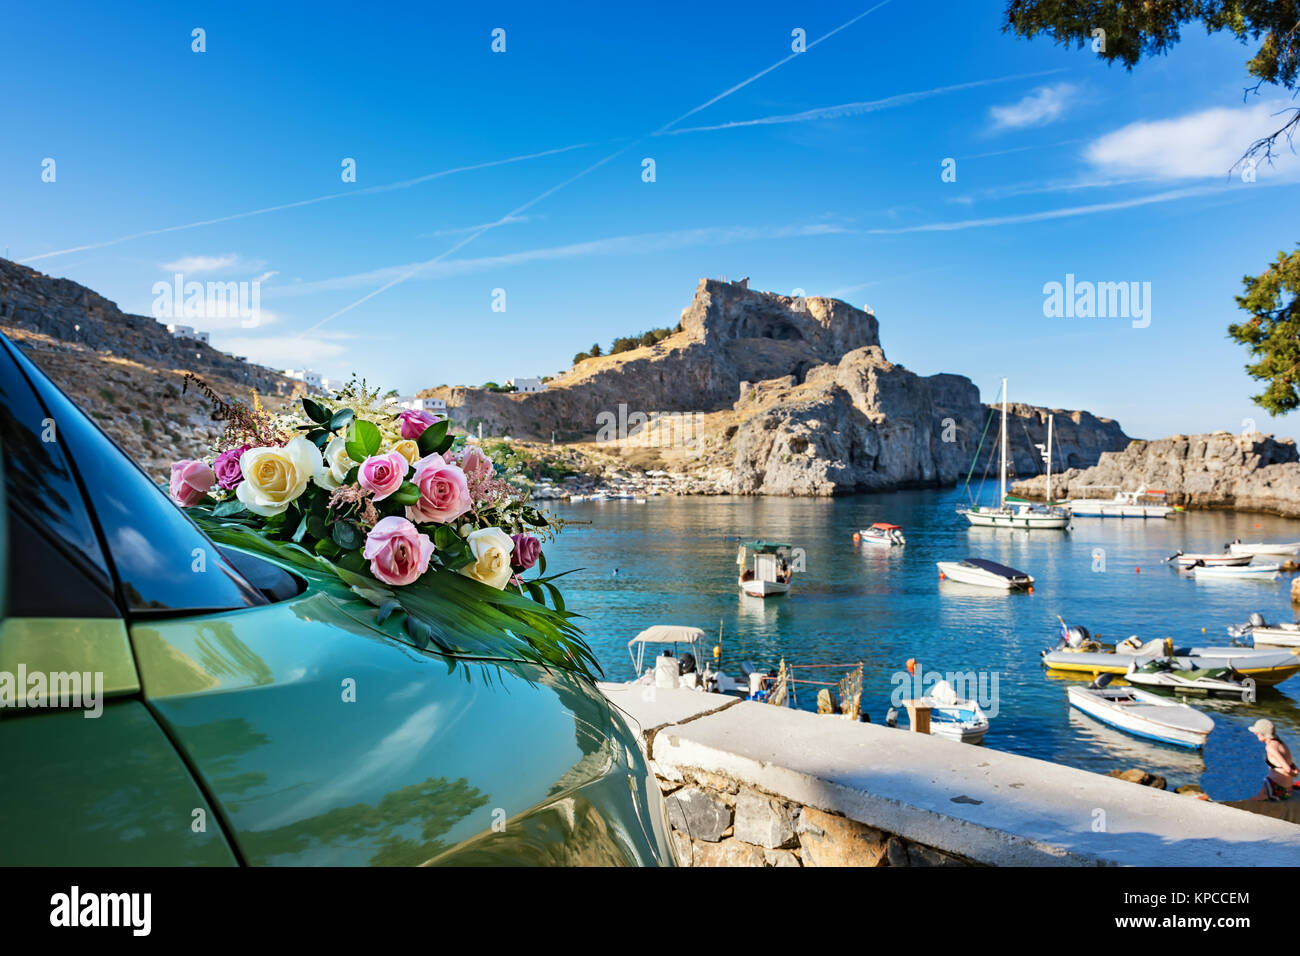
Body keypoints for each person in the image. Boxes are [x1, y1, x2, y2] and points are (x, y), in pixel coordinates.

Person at [1249, 718, 1298, 801]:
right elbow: (1291, 764)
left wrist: (1294, 774)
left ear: (1263, 734)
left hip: (1278, 790)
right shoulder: (1280, 742)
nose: (1255, 733)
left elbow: (1288, 769)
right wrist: (1296, 772)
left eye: (1257, 732)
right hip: (1288, 790)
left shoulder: (1270, 747)